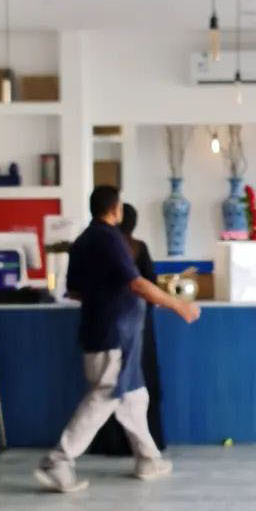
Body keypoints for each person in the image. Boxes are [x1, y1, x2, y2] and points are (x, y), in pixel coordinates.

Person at [35, 186, 199, 494]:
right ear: (115, 209)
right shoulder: (108, 238)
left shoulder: (83, 240)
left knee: (135, 397)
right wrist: (179, 306)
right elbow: (137, 283)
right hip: (113, 334)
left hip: (104, 331)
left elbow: (74, 290)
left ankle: (149, 459)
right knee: (107, 394)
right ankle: (58, 460)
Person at [90, 203, 165, 455]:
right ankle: (146, 448)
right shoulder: (138, 248)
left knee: (111, 388)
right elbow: (149, 285)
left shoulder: (104, 246)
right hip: (139, 327)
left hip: (107, 326)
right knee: (138, 386)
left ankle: (113, 443)